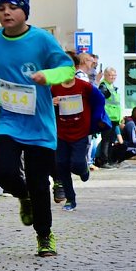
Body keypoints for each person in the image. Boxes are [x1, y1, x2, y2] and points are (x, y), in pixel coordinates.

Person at [0, 0, 74, 257]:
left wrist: (49, 76)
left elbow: (67, 68)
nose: (6, 13)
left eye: (12, 8)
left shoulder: (42, 40)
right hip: (8, 119)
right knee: (2, 172)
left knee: (39, 183)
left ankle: (44, 236)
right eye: (1, 8)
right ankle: (23, 196)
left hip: (39, 123)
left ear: (25, 11)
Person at [52, 64, 99, 211]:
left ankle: (84, 169)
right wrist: (51, 103)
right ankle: (70, 199)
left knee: (77, 164)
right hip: (62, 133)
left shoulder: (84, 86)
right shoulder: (54, 88)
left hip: (80, 132)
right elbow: (44, 105)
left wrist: (95, 121)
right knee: (62, 165)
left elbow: (99, 100)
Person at [96, 67, 121, 169]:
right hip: (107, 117)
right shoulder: (103, 86)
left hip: (114, 117)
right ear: (105, 75)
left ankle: (109, 160)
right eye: (110, 75)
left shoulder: (112, 86)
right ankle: (104, 161)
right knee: (106, 140)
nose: (113, 77)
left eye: (114, 75)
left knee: (111, 140)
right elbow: (101, 98)